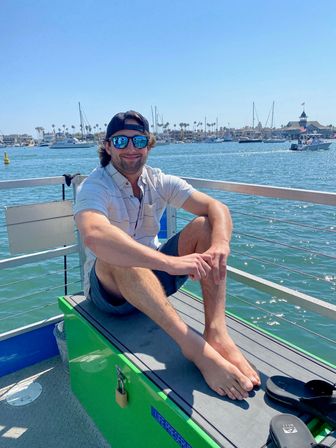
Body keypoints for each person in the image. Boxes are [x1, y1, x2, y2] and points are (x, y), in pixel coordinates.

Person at [74, 110, 260, 400]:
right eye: (121, 141)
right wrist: (169, 262)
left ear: (149, 144)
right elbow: (94, 234)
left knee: (206, 226)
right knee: (120, 253)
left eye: (139, 140)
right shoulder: (95, 185)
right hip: (109, 294)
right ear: (108, 147)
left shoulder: (158, 181)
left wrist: (220, 245)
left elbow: (217, 207)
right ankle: (195, 349)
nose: (131, 148)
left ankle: (216, 331)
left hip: (152, 282)